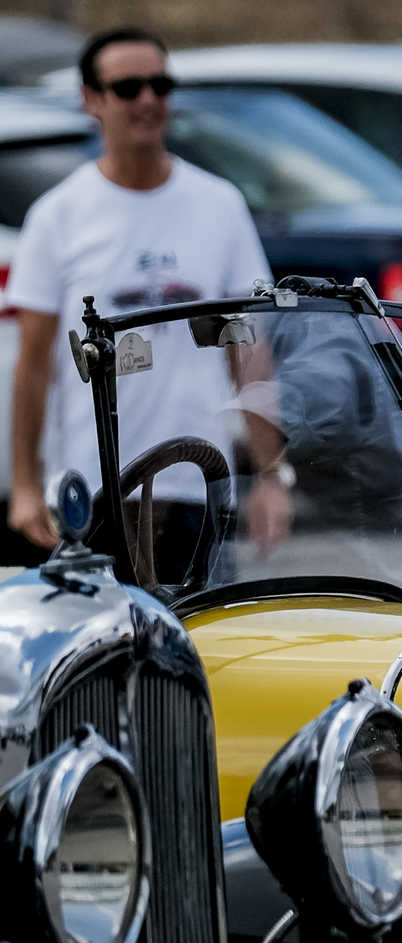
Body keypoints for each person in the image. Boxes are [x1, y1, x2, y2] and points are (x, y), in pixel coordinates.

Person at [5, 26, 287, 574]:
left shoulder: (219, 204)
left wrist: (272, 476)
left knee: (203, 654)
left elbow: (248, 350)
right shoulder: (58, 216)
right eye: (128, 87)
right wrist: (22, 485)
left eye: (160, 85)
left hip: (200, 486)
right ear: (92, 100)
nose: (149, 100)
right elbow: (34, 367)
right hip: (95, 491)